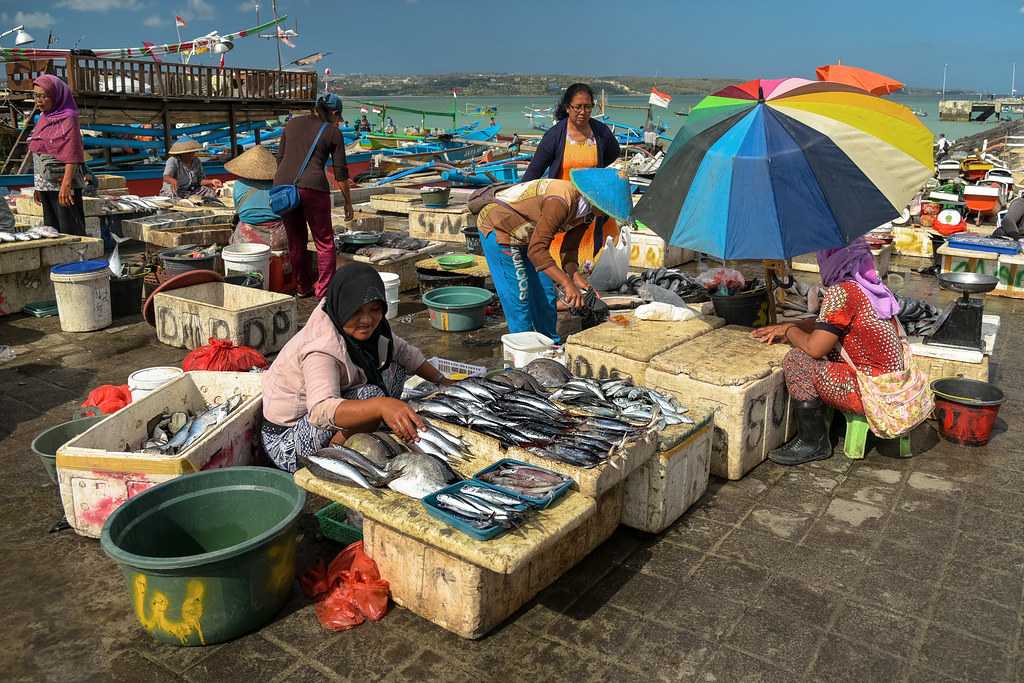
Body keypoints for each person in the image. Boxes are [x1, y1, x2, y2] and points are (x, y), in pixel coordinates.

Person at [260, 263, 450, 472]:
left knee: (395, 366)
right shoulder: (321, 348)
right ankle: (337, 446)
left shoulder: (375, 330)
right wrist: (381, 406)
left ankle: (371, 420)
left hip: (323, 410)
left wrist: (443, 382)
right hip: (286, 441)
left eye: (375, 310)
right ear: (343, 307)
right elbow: (320, 411)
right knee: (372, 395)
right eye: (356, 312)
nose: (367, 320)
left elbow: (404, 352)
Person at [752, 238, 905, 465]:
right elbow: (829, 323)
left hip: (872, 393)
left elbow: (815, 348)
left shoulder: (842, 292)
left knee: (797, 360)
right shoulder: (868, 286)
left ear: (833, 259)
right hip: (894, 385)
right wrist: (798, 327)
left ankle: (812, 442)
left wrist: (789, 329)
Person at [477, 167, 632, 342]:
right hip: (501, 228)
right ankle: (523, 354)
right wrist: (566, 283)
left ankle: (550, 344)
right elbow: (537, 251)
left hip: (529, 236)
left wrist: (575, 276)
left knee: (546, 294)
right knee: (520, 298)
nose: (607, 214)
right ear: (598, 199)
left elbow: (569, 249)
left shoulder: (588, 213)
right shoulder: (560, 201)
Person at [523, 83, 622, 269]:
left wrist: (596, 177)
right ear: (568, 108)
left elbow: (613, 153)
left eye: (588, 107)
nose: (583, 112)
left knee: (592, 261)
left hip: (593, 208)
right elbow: (534, 172)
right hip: (562, 209)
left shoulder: (601, 132)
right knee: (560, 260)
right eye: (578, 107)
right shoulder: (555, 136)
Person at [275, 93, 354, 299]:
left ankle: (302, 287)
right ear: (335, 113)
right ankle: (323, 290)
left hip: (283, 187)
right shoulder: (333, 132)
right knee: (324, 241)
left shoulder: (291, 125)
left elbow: (280, 158)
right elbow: (341, 173)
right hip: (313, 188)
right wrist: (348, 203)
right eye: (339, 117)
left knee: (296, 240)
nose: (338, 121)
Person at [29, 75, 87, 236]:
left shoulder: (68, 117)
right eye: (36, 95)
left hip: (62, 184)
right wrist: (38, 186)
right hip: (45, 183)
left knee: (71, 231)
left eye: (43, 96)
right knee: (52, 231)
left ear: (56, 96)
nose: (38, 100)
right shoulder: (43, 118)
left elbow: (73, 152)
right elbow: (39, 151)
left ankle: (79, 261)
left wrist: (66, 185)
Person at [225, 145, 287, 251]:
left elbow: (239, 210)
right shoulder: (280, 184)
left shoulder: (238, 184)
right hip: (278, 238)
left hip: (247, 239)